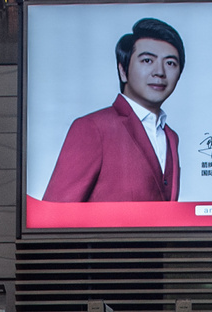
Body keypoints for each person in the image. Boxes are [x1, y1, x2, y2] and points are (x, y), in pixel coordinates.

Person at [42, 18, 185, 203]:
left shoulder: (171, 137)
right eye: (147, 60)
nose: (159, 72)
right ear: (123, 71)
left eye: (171, 63)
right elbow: (55, 213)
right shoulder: (92, 128)